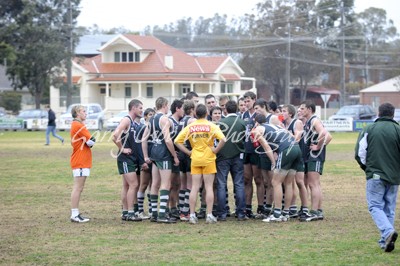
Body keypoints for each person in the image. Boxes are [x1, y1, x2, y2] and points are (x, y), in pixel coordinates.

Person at [355, 102, 400, 252]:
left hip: (375, 174)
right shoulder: (398, 129)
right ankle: (385, 241)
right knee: (389, 208)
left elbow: (360, 153)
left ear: (378, 113)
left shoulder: (370, 129)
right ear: (393, 114)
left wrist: (367, 169)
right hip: (394, 176)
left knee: (375, 206)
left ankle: (387, 233)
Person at [175, 104, 226, 224]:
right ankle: (209, 215)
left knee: (194, 187)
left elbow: (177, 141)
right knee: (208, 187)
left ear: (195, 114)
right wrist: (215, 150)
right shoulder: (211, 125)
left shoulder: (191, 126)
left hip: (195, 158)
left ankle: (192, 215)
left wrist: (188, 152)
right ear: (207, 114)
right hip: (208, 158)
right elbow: (223, 139)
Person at [251, 114, 302, 223]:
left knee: (275, 182)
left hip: (287, 150)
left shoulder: (257, 129)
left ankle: (277, 213)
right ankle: (286, 213)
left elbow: (266, 146)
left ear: (256, 123)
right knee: (288, 183)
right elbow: (290, 136)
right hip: (296, 148)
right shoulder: (276, 126)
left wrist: (273, 162)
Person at [142, 97, 179, 223]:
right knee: (165, 184)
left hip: (154, 153)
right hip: (163, 153)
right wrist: (174, 155)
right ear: (164, 105)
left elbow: (143, 139)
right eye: (167, 105)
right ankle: (162, 214)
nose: (168, 108)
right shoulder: (164, 119)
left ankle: (154, 213)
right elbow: (168, 140)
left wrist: (146, 156)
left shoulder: (151, 119)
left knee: (155, 184)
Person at [298, 100, 332, 221]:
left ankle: (314, 212)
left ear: (309, 109)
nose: (299, 110)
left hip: (315, 156)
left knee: (313, 184)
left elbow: (326, 134)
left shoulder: (314, 120)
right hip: (309, 156)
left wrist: (318, 147)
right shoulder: (308, 122)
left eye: (302, 108)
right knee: (314, 184)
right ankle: (318, 209)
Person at [112, 99, 143, 222]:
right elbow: (115, 135)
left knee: (126, 186)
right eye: (140, 108)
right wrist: (122, 149)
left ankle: (125, 212)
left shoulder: (133, 122)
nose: (142, 110)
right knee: (134, 184)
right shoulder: (126, 120)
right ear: (134, 108)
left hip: (130, 158)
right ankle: (130, 212)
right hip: (125, 158)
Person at [216, 100, 247, 221]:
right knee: (239, 184)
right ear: (237, 109)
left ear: (226, 110)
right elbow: (245, 138)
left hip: (223, 157)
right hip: (238, 156)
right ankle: (240, 213)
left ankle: (222, 213)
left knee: (221, 185)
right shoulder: (242, 122)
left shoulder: (220, 123)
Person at [69, 105, 95, 223]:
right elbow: (91, 140)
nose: (86, 113)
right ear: (77, 113)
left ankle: (75, 213)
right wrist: (90, 142)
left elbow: (89, 141)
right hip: (80, 159)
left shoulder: (77, 124)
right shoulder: (78, 125)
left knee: (79, 188)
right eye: (84, 111)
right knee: (78, 188)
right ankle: (74, 214)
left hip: (81, 159)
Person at [241, 91, 263, 218]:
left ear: (254, 100)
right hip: (246, 150)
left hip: (257, 151)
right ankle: (247, 208)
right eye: (245, 101)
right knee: (246, 179)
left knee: (258, 179)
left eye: (248, 101)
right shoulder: (243, 114)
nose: (246, 103)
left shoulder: (258, 114)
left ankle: (260, 207)